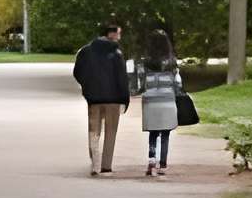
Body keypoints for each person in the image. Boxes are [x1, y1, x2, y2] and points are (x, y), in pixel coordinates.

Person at [72, 18, 129, 176]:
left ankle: (95, 162)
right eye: (118, 33)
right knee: (111, 132)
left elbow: (77, 72)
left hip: (94, 98)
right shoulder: (116, 53)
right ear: (110, 34)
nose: (119, 37)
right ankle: (106, 165)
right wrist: (125, 98)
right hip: (114, 99)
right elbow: (122, 78)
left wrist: (87, 86)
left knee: (94, 130)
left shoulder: (86, 51)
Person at [136, 28, 184, 177]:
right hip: (167, 99)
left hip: (150, 100)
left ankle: (151, 160)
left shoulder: (145, 62)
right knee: (165, 133)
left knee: (153, 132)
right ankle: (162, 164)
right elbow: (178, 83)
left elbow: (139, 83)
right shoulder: (172, 61)